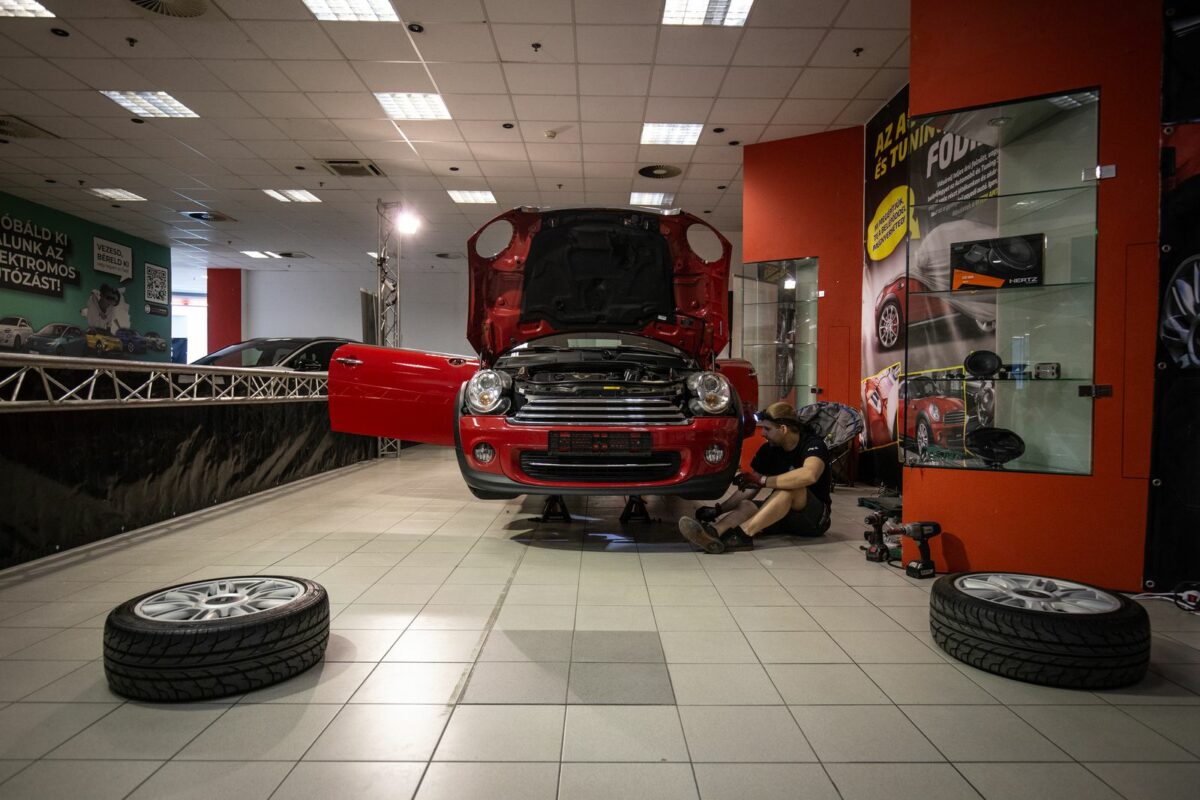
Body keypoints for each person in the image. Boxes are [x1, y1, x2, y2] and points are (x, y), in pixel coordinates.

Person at [679, 401, 832, 554]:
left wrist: (763, 481)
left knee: (790, 489)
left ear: (783, 429)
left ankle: (743, 534)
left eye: (767, 429)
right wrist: (718, 510)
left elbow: (809, 475)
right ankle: (713, 533)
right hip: (783, 515)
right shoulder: (769, 450)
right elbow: (751, 487)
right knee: (747, 504)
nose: (763, 433)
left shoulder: (812, 444)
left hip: (814, 519)